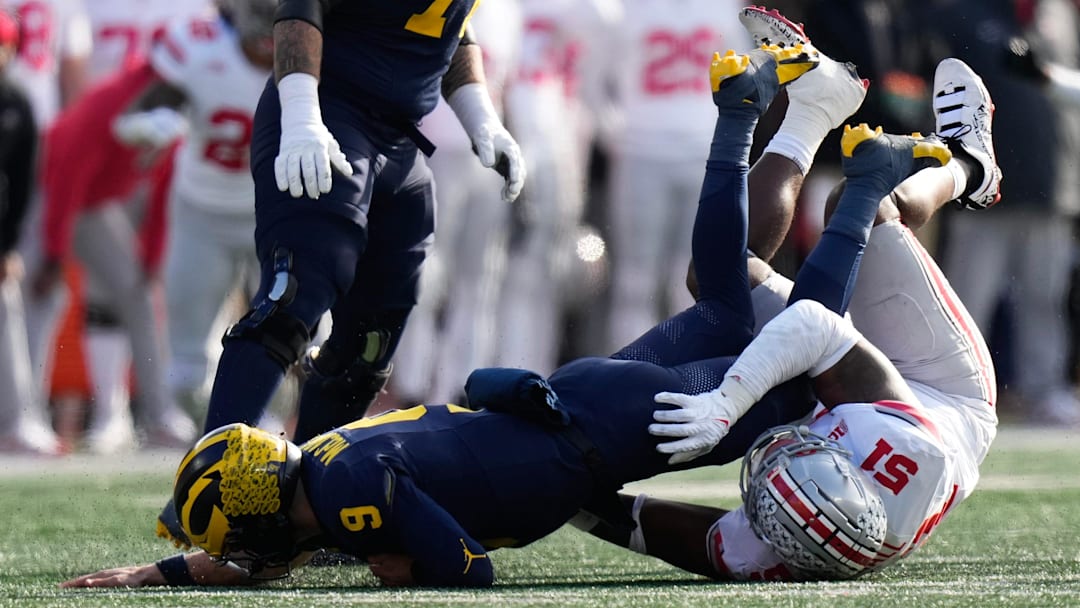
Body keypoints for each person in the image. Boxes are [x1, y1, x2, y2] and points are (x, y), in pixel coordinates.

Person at [62, 37, 894, 588]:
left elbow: (467, 573)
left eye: (237, 543)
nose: (244, 558)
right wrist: (159, 574)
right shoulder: (321, 466)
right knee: (720, 304)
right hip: (570, 403)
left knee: (797, 367)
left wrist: (395, 561)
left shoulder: (350, 492)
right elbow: (286, 531)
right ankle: (741, 113)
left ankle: (855, 189)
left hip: (603, 428)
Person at [585, 56, 1000, 579]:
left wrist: (569, 493)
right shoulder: (913, 452)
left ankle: (810, 110)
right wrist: (726, 403)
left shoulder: (788, 541)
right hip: (937, 383)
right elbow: (814, 325)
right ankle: (969, 163)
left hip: (853, 395)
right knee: (857, 203)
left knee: (719, 284)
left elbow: (680, 535)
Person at [196, 0, 526, 447]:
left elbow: (451, 26)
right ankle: (210, 482)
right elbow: (302, 6)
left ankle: (314, 488)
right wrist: (300, 115)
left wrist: (480, 115)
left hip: (400, 141)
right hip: (330, 117)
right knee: (292, 301)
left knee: (370, 341)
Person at [0, 8, 59, 455]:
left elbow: (20, 185)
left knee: (9, 311)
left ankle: (18, 419)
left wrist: (8, 245)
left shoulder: (17, 102)